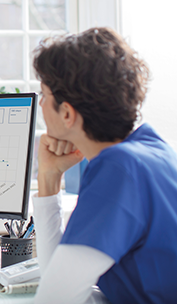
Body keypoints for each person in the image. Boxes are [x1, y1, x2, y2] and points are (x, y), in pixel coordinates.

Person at [31, 27, 177, 304]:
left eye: (44, 96)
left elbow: (55, 299)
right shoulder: (152, 150)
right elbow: (58, 281)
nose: (41, 105)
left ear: (66, 113)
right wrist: (49, 178)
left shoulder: (119, 169)